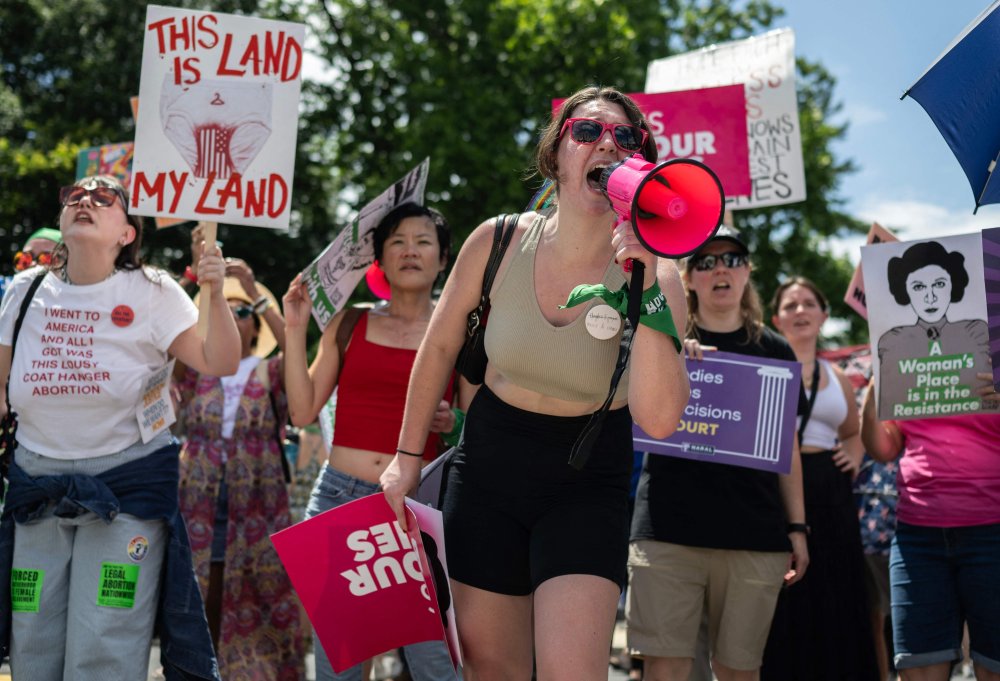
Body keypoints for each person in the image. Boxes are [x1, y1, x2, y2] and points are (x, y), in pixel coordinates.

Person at [380, 85, 690, 681]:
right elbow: (440, 345)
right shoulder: (499, 240)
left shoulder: (659, 273)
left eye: (624, 137)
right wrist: (404, 457)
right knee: (494, 671)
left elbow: (659, 418)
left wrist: (646, 283)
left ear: (639, 163)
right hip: (490, 471)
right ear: (556, 154)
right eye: (587, 131)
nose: (606, 143)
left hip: (587, 480)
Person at [0, 174, 240, 680]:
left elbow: (218, 360)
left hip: (126, 489)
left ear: (127, 233)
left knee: (104, 640)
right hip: (35, 486)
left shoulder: (153, 290)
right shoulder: (24, 291)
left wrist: (215, 293)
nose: (85, 200)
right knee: (32, 640)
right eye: (75, 195)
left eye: (104, 197)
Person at [284, 202, 465, 681]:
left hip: (420, 508)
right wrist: (295, 326)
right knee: (339, 667)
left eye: (424, 241)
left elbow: (478, 425)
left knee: (434, 666)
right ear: (379, 259)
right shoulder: (349, 324)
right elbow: (302, 412)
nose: (410, 251)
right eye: (397, 242)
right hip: (339, 502)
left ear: (444, 259)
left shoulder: (461, 332)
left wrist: (454, 421)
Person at [626, 226, 808, 681]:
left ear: (747, 271)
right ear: (688, 277)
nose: (720, 269)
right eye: (706, 262)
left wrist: (798, 528)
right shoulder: (659, 339)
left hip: (753, 535)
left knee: (738, 670)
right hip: (668, 530)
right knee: (665, 667)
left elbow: (788, 448)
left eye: (732, 259)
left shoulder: (777, 350)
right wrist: (671, 357)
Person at [175, 254, 307, 680]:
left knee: (257, 603)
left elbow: (297, 351)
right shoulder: (196, 370)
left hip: (259, 510)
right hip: (198, 505)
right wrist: (201, 292)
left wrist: (255, 291)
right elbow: (172, 349)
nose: (236, 315)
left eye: (244, 311)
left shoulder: (270, 371)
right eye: (226, 310)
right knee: (199, 597)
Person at [761, 276, 878, 680]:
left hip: (831, 493)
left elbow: (854, 430)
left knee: (837, 594)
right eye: (790, 306)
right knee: (786, 597)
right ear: (776, 319)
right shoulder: (763, 365)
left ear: (824, 315)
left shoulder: (837, 377)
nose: (800, 311)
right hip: (777, 490)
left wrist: (855, 452)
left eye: (808, 303)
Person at [861, 363, 1000, 679]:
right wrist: (872, 402)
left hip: (993, 531)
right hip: (918, 539)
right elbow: (884, 448)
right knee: (918, 668)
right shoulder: (908, 355)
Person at [877, 240, 995, 417]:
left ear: (953, 284)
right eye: (918, 287)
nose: (930, 297)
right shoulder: (891, 342)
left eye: (939, 284)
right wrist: (874, 394)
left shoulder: (977, 332)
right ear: (905, 290)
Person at [1, 227, 62, 302]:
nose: (33, 264)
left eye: (47, 259)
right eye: (25, 258)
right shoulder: (7, 288)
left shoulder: (73, 298)